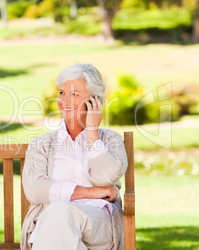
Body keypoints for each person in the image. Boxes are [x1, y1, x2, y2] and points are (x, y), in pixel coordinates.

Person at [20, 63, 128, 250]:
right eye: (62, 93)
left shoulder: (111, 140)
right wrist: (92, 192)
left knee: (58, 211)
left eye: (75, 94)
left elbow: (105, 178)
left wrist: (92, 132)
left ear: (94, 101)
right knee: (58, 216)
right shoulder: (42, 145)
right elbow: (35, 190)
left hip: (97, 224)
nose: (64, 100)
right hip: (52, 225)